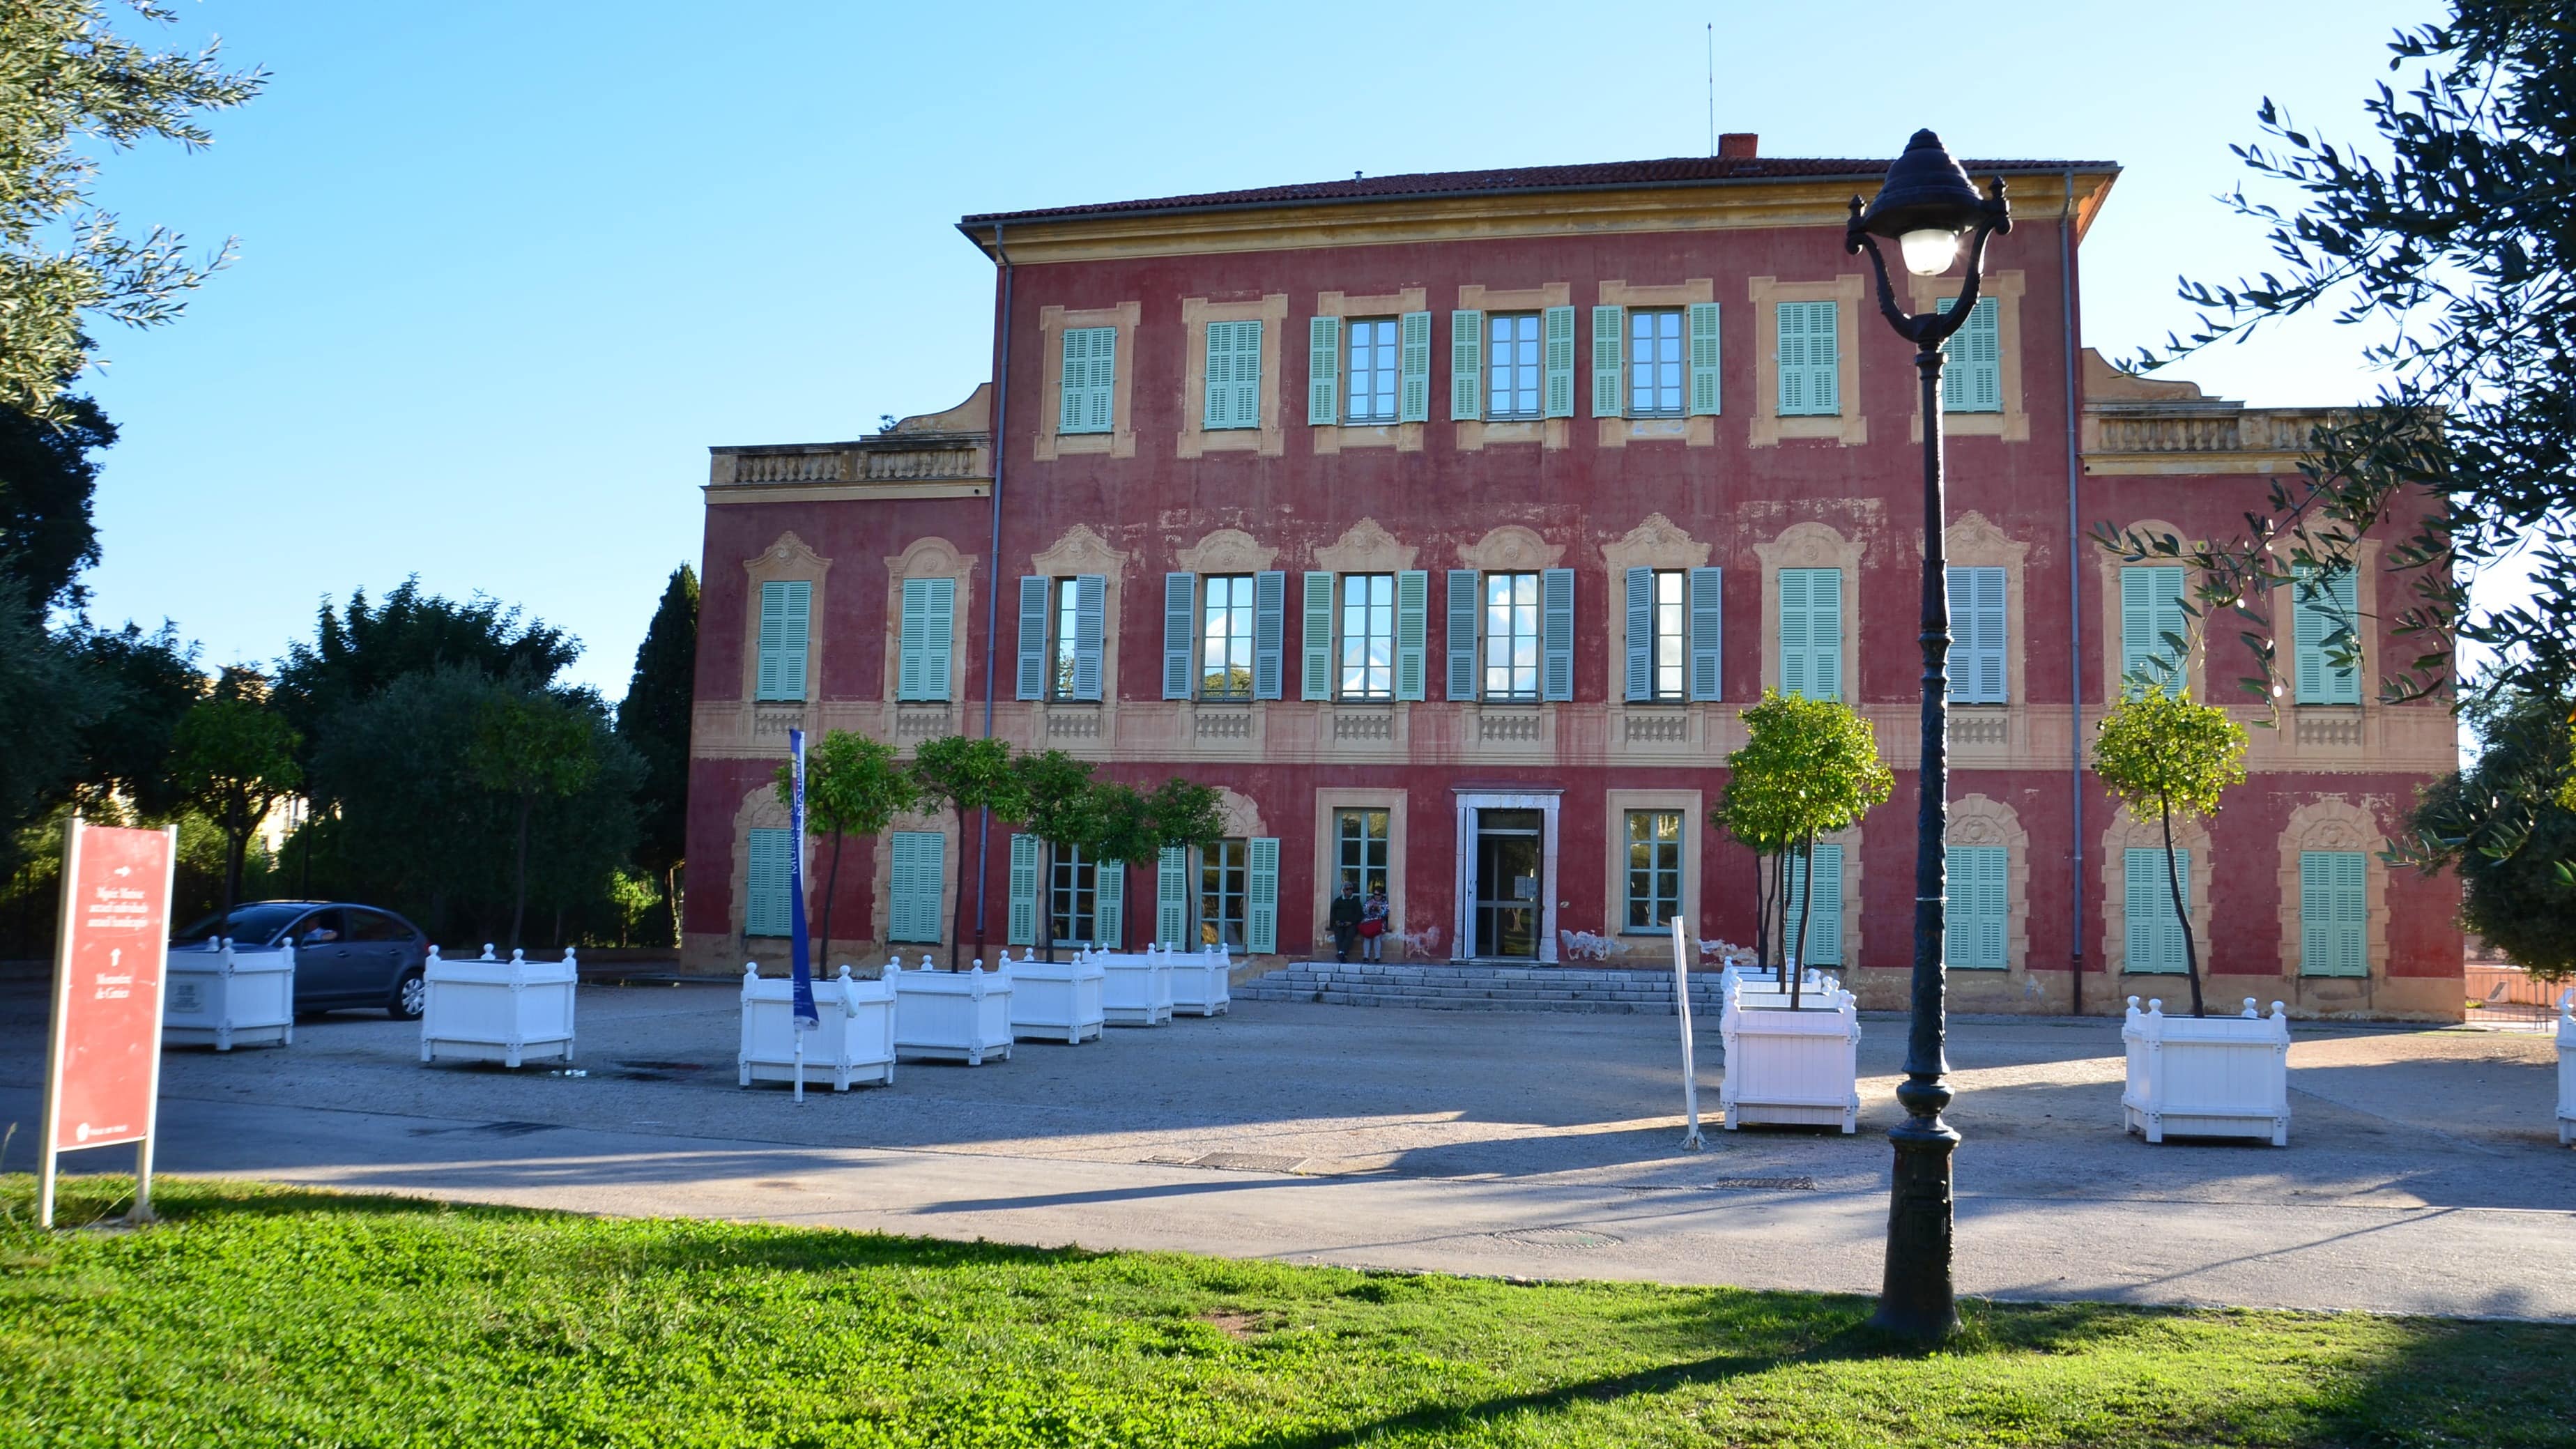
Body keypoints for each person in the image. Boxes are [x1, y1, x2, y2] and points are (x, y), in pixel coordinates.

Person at [1328, 880, 1363, 963]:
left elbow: (1359, 914)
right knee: (1338, 934)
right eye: (1347, 889)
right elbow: (1333, 913)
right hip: (1339, 923)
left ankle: (1341, 953)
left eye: (1351, 889)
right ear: (1343, 891)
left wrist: (1351, 922)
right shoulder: (1338, 901)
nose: (1350, 891)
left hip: (1351, 924)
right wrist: (1336, 921)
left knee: (1350, 934)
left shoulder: (1356, 901)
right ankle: (1343, 954)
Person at [1359, 884, 1389, 962]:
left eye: (1378, 894)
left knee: (1377, 937)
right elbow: (1364, 911)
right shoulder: (1370, 901)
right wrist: (1369, 907)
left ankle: (1377, 957)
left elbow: (1385, 914)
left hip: (1379, 923)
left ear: (1382, 895)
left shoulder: (1385, 903)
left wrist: (1379, 909)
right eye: (1375, 894)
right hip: (1369, 922)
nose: (1377, 896)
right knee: (1367, 937)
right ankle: (1366, 957)